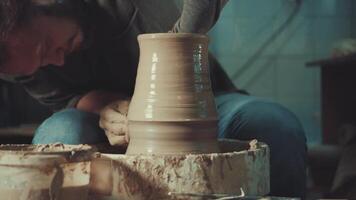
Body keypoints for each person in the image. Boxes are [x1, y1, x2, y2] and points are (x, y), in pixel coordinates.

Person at [0, 0, 307, 198]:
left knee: (273, 124)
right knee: (61, 137)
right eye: (41, 66)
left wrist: (182, 39)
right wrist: (107, 108)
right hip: (104, 119)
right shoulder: (16, 62)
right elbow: (68, 98)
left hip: (201, 101)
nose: (57, 62)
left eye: (44, 47)